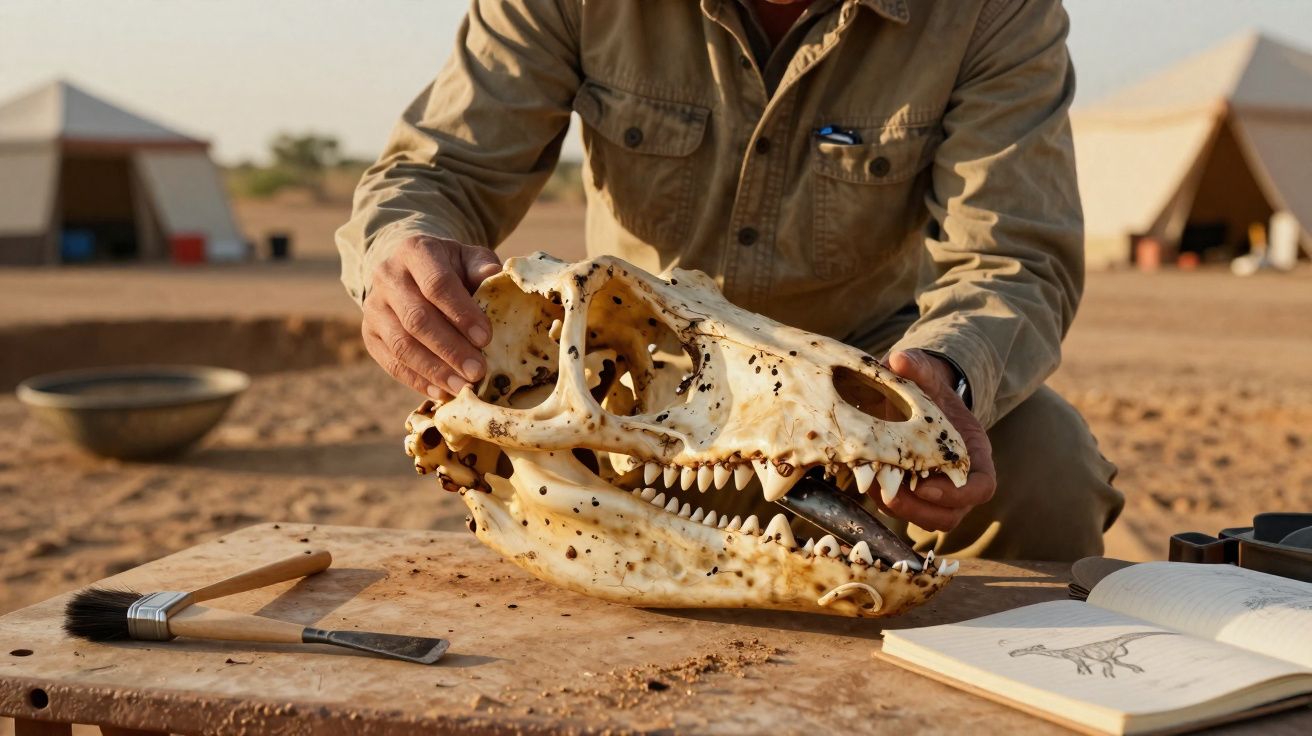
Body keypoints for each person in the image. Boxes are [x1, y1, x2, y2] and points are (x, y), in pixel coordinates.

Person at [336, 0, 1123, 560]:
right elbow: (439, 170)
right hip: (636, 400)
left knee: (1049, 467)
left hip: (856, 398)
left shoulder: (995, 12)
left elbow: (1015, 257)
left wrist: (946, 380)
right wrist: (399, 251)